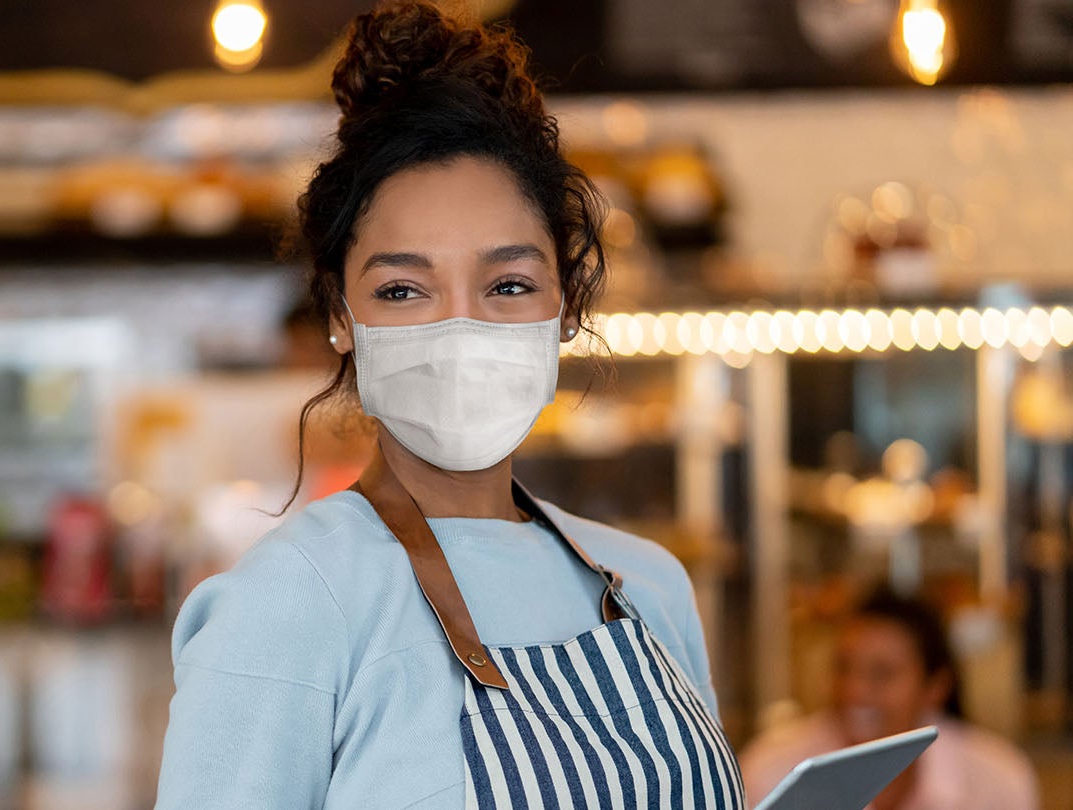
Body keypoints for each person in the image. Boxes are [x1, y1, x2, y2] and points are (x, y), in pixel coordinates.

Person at [156, 2, 742, 807]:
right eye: (403, 289)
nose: (460, 329)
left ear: (566, 304)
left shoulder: (650, 587)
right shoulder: (286, 607)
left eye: (507, 285)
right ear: (340, 315)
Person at [739, 588, 1039, 810]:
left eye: (882, 673)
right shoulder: (769, 773)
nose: (854, 691)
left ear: (935, 687)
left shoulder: (997, 780)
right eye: (843, 668)